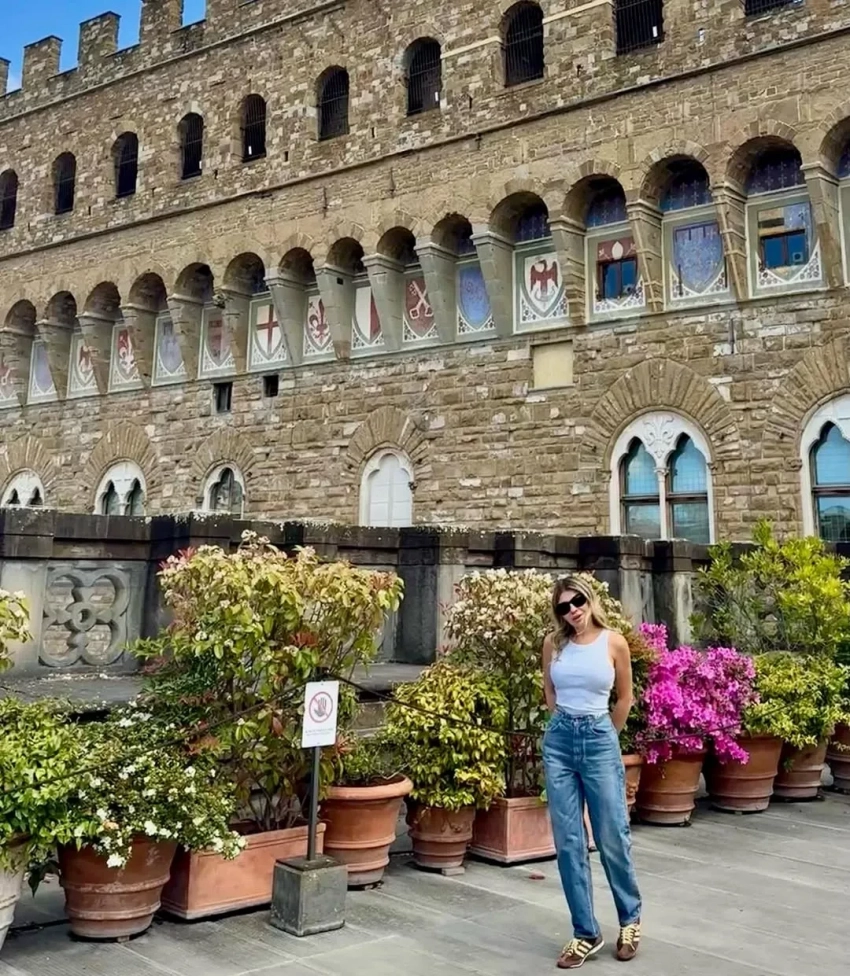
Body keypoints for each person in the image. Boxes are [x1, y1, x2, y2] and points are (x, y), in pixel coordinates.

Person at [541, 575, 642, 969]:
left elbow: (625, 697)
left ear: (589, 600)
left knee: (611, 834)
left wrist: (605, 734)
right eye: (564, 607)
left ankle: (629, 920)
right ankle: (585, 932)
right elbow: (550, 691)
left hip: (599, 736)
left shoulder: (613, 642)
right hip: (560, 741)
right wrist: (563, 726)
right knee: (569, 841)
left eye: (578, 602)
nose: (573, 611)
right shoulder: (554, 644)